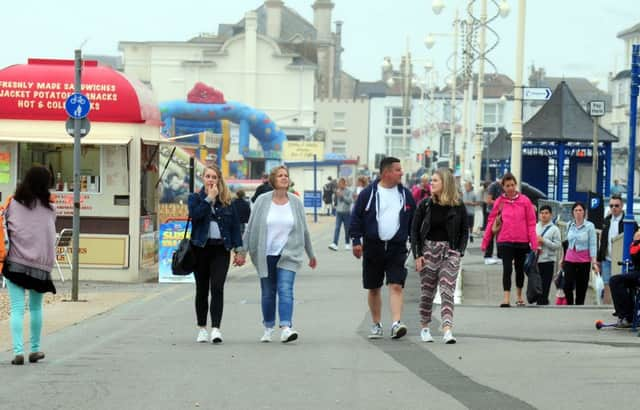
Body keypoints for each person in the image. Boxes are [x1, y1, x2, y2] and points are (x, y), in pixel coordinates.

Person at [241, 165, 317, 343]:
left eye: (286, 175)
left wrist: (311, 254)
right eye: (280, 175)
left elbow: (304, 230)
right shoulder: (262, 201)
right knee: (268, 292)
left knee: (285, 289)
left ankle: (286, 327)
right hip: (265, 253)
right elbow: (250, 228)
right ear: (273, 180)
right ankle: (268, 327)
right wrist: (242, 251)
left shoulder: (296, 202)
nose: (284, 178)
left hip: (289, 254)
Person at [350, 156, 416, 340]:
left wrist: (416, 247)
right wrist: (356, 241)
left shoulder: (405, 195)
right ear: (386, 172)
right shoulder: (368, 194)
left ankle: (396, 323)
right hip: (373, 247)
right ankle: (376, 324)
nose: (401, 172)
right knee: (374, 288)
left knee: (396, 285)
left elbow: (414, 221)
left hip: (397, 247)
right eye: (397, 170)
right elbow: (356, 218)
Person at [2, 166, 57, 365]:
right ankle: (34, 350)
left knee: (16, 308)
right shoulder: (50, 208)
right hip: (39, 267)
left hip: (15, 263)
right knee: (35, 308)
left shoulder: (12, 204)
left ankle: (18, 352)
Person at [188, 165, 245, 344]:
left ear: (219, 180)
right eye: (208, 176)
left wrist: (239, 250)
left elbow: (235, 226)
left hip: (221, 250)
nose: (211, 180)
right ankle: (202, 328)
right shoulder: (195, 198)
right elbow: (195, 216)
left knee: (217, 288)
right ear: (203, 178)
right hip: (200, 249)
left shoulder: (227, 201)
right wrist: (208, 199)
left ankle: (216, 329)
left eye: (214, 177)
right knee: (202, 289)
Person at [411, 168, 468, 344]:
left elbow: (464, 231)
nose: (431, 183)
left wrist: (458, 252)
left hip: (449, 253)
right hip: (428, 251)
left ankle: (447, 330)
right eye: (431, 181)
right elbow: (414, 231)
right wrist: (418, 255)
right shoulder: (425, 205)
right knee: (427, 293)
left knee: (447, 291)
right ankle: (425, 328)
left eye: (435, 180)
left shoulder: (458, 206)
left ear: (445, 183)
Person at [481, 172, 537, 307]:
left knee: (519, 269)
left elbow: (531, 223)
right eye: (507, 186)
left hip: (522, 242)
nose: (511, 188)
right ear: (503, 187)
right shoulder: (500, 202)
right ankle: (506, 298)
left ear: (515, 185)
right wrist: (485, 241)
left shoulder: (525, 201)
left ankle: (519, 296)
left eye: (512, 185)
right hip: (505, 241)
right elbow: (491, 221)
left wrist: (533, 242)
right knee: (507, 269)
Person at [597, 194, 638, 304]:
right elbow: (602, 240)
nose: (613, 208)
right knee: (606, 284)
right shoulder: (606, 220)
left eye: (616, 205)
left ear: (622, 206)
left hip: (622, 259)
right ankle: (607, 307)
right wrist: (599, 258)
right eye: (611, 206)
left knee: (620, 285)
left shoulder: (630, 223)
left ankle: (619, 309)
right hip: (607, 258)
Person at [563, 202, 599, 305]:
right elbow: (566, 243)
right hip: (570, 258)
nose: (578, 212)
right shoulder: (569, 224)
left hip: (584, 260)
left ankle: (579, 306)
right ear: (573, 212)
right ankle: (569, 304)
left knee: (581, 286)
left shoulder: (590, 226)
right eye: (576, 210)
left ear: (584, 212)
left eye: (580, 210)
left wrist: (594, 262)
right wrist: (562, 258)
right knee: (567, 285)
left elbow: (593, 244)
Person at [610, 230, 640, 327]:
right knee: (615, 280)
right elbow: (634, 254)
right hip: (637, 272)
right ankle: (624, 314)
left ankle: (628, 315)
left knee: (617, 280)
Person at [535, 205, 561, 305]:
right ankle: (538, 300)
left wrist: (544, 241)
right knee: (536, 284)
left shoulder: (554, 229)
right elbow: (530, 241)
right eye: (542, 213)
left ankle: (543, 302)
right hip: (536, 260)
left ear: (550, 215)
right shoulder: (535, 226)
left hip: (548, 260)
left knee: (545, 284)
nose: (544, 215)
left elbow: (557, 245)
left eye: (546, 213)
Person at [329, 177, 353, 251]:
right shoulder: (338, 191)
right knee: (337, 228)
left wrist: (342, 196)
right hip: (338, 212)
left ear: (344, 183)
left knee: (347, 229)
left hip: (346, 212)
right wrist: (335, 198)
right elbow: (336, 201)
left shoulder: (349, 191)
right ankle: (335, 244)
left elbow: (350, 201)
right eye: (339, 183)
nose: (339, 185)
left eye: (341, 183)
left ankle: (347, 243)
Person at [483, 178, 503, 264]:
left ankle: (500, 255)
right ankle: (488, 256)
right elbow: (488, 200)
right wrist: (500, 202)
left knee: (500, 235)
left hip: (501, 213)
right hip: (491, 213)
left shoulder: (504, 187)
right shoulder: (493, 186)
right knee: (490, 234)